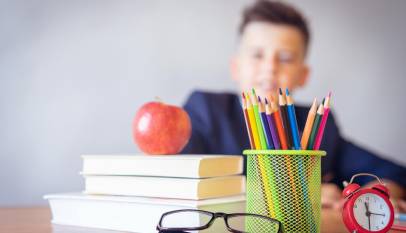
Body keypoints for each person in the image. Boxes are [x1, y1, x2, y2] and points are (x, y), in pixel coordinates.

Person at [181, 0, 405, 232]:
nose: (270, 67)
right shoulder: (206, 109)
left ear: (303, 75)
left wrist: (371, 198)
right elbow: (178, 181)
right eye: (257, 55)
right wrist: (302, 195)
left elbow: (394, 172)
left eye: (286, 58)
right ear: (236, 67)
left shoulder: (318, 125)